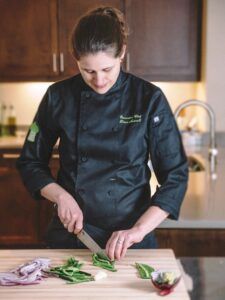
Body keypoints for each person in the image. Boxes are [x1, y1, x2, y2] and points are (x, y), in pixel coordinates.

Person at [17, 6, 188, 260]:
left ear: (122, 54)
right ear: (76, 59)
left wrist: (138, 231)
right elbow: (30, 162)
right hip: (71, 235)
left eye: (107, 69)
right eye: (88, 71)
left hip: (131, 239)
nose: (99, 81)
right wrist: (60, 196)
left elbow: (176, 176)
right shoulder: (58, 96)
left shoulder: (148, 99)